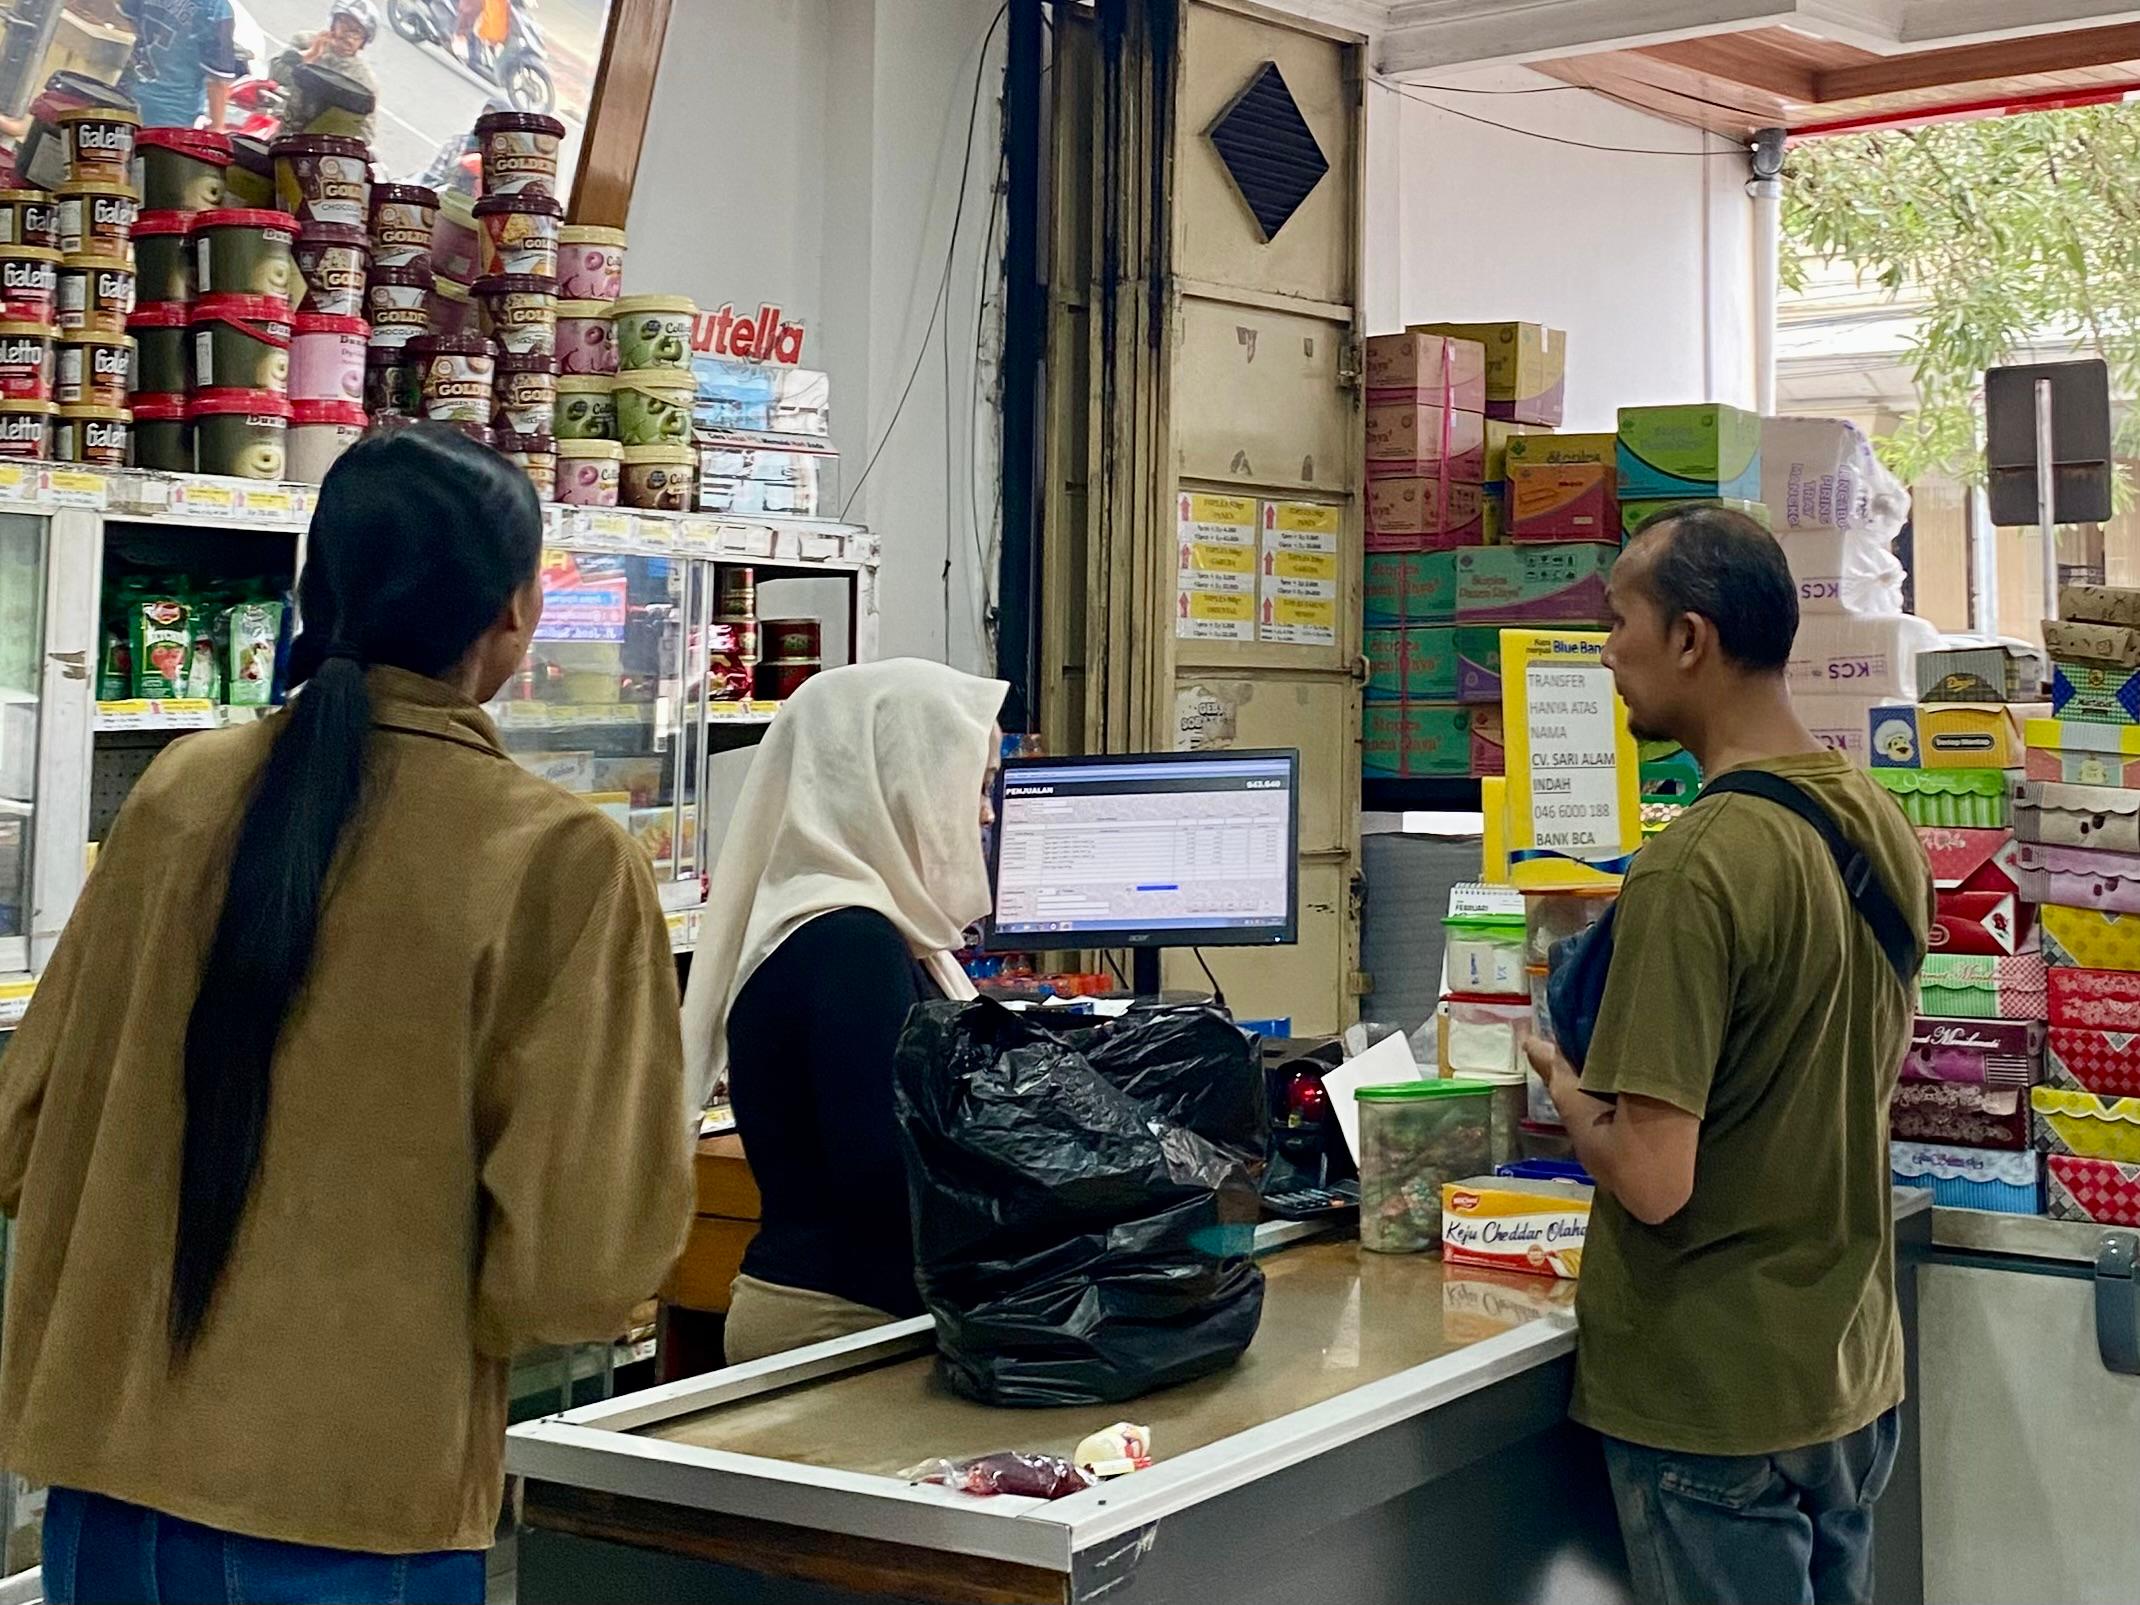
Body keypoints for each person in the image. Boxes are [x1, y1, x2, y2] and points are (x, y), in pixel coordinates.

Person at [0, 425, 692, 1603]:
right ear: (518, 612)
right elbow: (575, 1270)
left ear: (314, 592)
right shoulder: (561, 860)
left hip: (107, 1486)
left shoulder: (178, 792)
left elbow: (25, 1128)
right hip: (353, 1504)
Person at [1522, 504, 1932, 1605]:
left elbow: (1656, 1180)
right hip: (1844, 1370)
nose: (1606, 652)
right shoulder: (1874, 818)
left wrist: (1562, 1085)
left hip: (1713, 1402)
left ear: (1691, 639)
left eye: (1619, 622)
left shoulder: (1694, 866)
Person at [681, 660, 1006, 1366]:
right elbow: (883, 1171)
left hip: (848, 1309)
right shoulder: (848, 942)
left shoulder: (852, 926)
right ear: (894, 780)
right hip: (837, 1322)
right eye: (972, 784)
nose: (984, 812)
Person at [118, 0, 242, 130]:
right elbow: (218, 82)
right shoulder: (215, 7)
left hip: (125, 97)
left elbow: (126, 20)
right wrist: (217, 126)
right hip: (172, 115)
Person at [271, 0, 381, 144]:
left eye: (356, 32)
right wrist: (309, 56)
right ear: (333, 24)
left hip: (319, 145)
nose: (347, 36)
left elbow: (366, 133)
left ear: (363, 42)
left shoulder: (364, 81)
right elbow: (275, 74)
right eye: (344, 24)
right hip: (279, 122)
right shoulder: (305, 41)